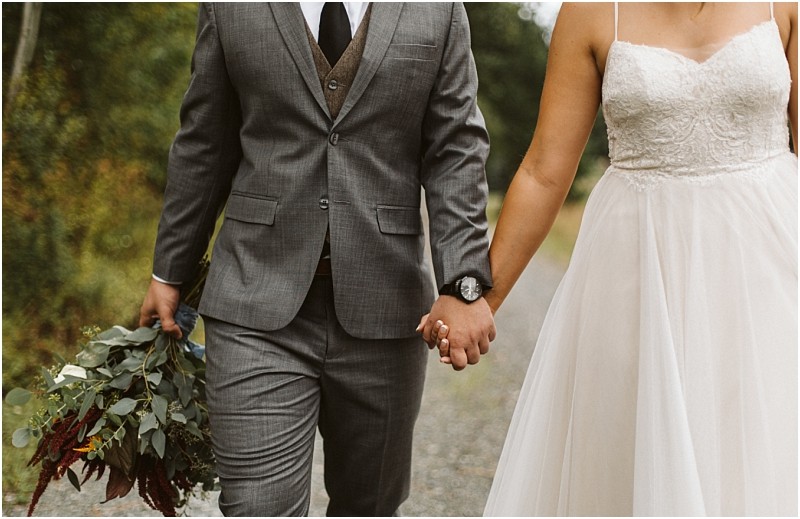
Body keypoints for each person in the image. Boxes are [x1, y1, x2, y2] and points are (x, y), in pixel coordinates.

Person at [424, 2, 798, 516]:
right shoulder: (592, 11)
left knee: (766, 455)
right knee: (640, 459)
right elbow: (543, 172)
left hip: (769, 268)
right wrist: (477, 298)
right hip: (639, 274)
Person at [138, 2, 496, 516]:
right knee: (258, 505)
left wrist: (462, 281)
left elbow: (456, 146)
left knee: (369, 505)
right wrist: (168, 271)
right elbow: (204, 141)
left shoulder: (438, 9)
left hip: (387, 305)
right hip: (253, 298)